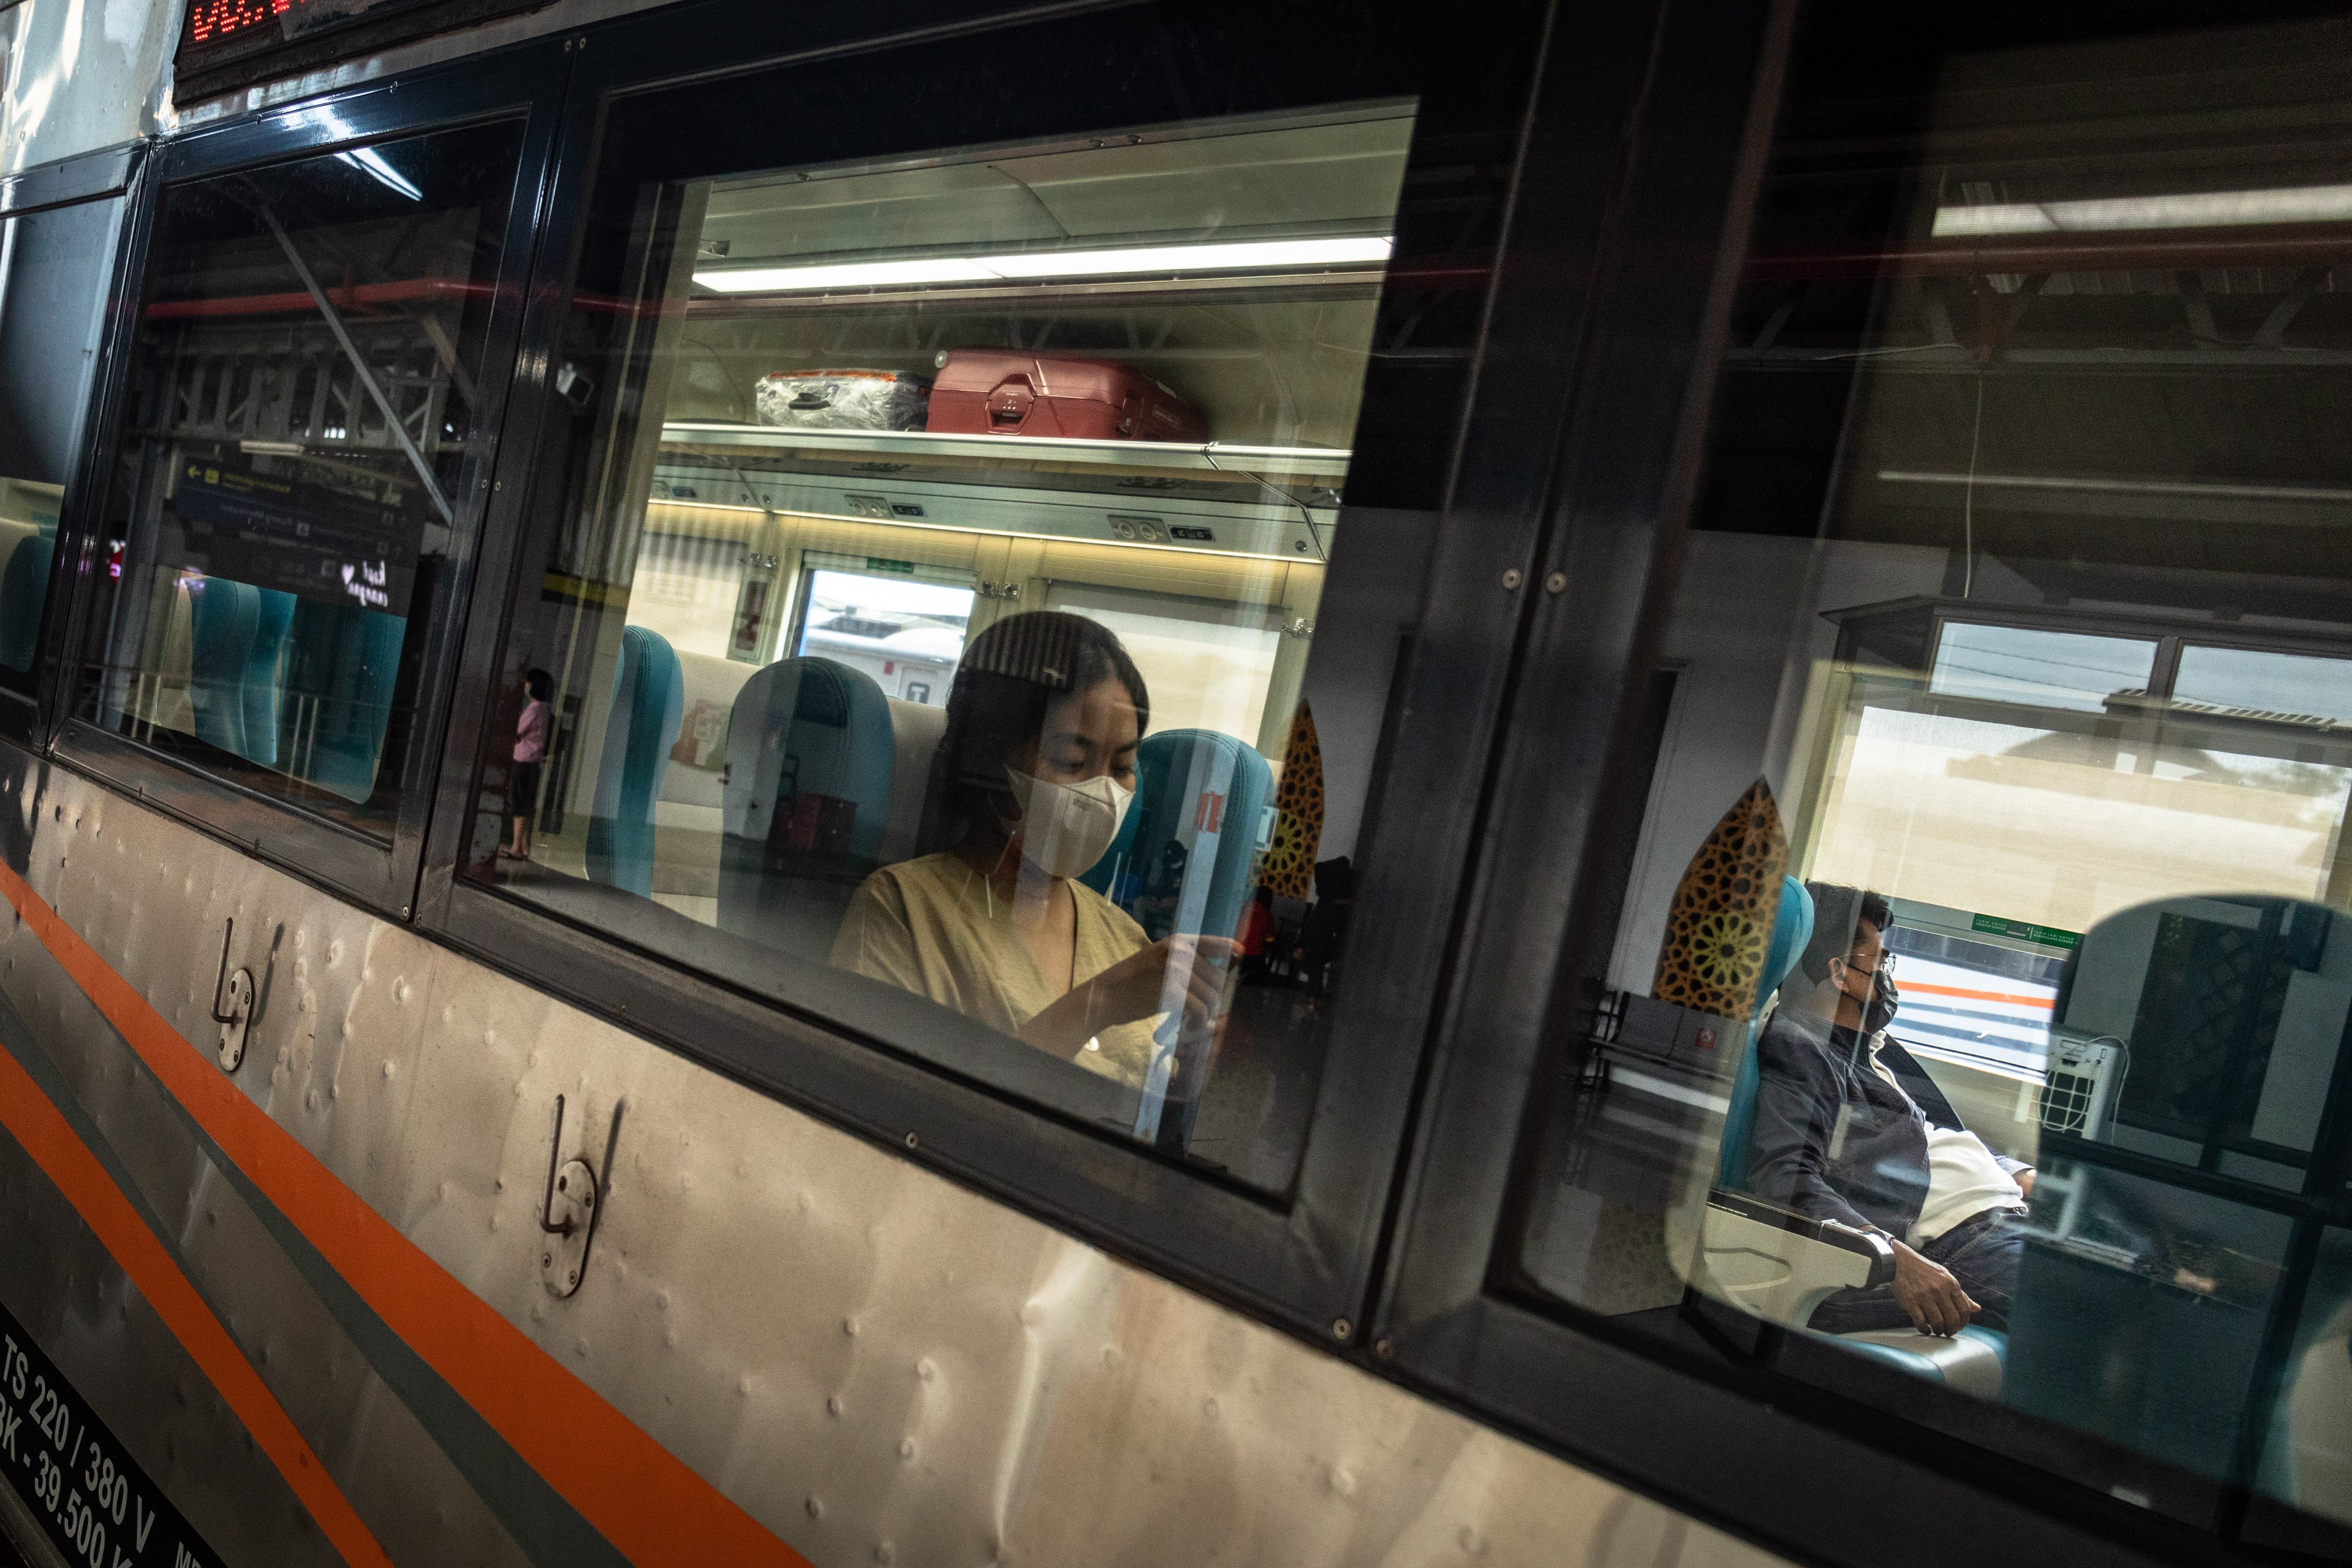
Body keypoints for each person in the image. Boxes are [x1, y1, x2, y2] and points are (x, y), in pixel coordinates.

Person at [830, 612, 1235, 1086]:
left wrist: (1194, 1072)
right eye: (1071, 761)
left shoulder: (1123, 938)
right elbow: (886, 1102)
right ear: (990, 759)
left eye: (1123, 766)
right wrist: (1096, 1004)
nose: (1103, 793)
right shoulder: (902, 910)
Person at [1747, 884, 2037, 1337]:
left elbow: (1925, 1139)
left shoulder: (1867, 1053)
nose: (1888, 977)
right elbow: (1786, 1174)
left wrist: (2015, 1173)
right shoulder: (1803, 1049)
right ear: (1841, 973)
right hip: (1964, 1240)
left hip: (2001, 1218)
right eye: (1880, 963)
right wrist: (1893, 1256)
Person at [503, 668, 553, 862]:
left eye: (527, 682)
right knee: (527, 805)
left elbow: (517, 730)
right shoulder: (546, 709)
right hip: (535, 761)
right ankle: (524, 847)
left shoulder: (533, 709)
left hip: (523, 759)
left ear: (533, 686)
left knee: (518, 803)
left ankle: (516, 847)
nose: (525, 686)